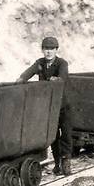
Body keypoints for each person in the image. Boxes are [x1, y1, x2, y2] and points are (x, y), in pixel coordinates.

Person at [16, 37, 72, 176]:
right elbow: (28, 72)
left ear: (56, 50)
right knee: (52, 134)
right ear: (43, 50)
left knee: (65, 133)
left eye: (51, 49)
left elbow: (63, 76)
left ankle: (66, 162)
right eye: (46, 49)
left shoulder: (61, 63)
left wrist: (57, 79)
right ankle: (57, 161)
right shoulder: (40, 63)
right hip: (49, 106)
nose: (48, 52)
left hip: (62, 104)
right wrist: (21, 79)